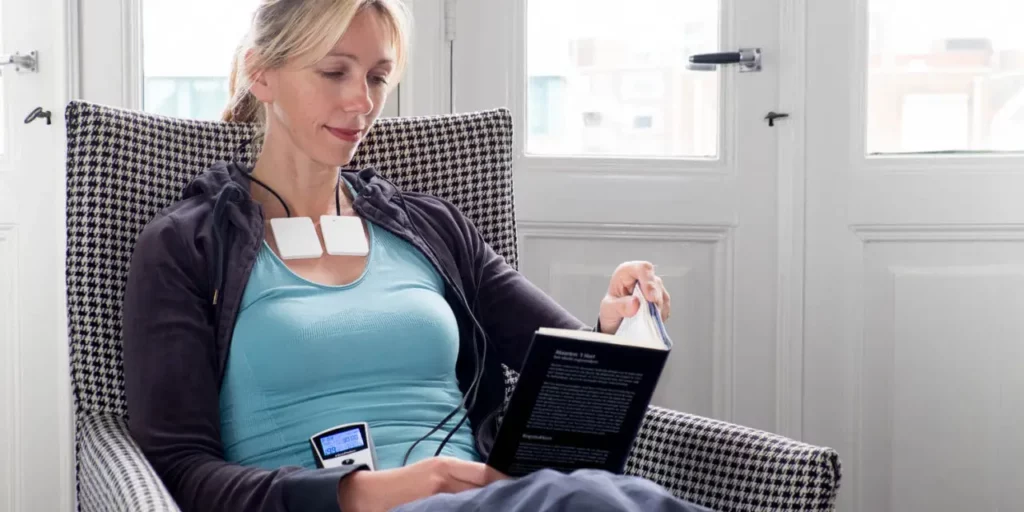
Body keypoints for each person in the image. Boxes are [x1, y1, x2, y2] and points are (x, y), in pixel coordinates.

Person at [121, 1, 711, 511]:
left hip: (491, 500)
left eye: (378, 77)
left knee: (597, 497)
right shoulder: (189, 246)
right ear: (261, 74)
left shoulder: (431, 229)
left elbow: (574, 383)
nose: (362, 101)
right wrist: (361, 493)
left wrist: (615, 326)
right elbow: (179, 469)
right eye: (334, 71)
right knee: (591, 502)